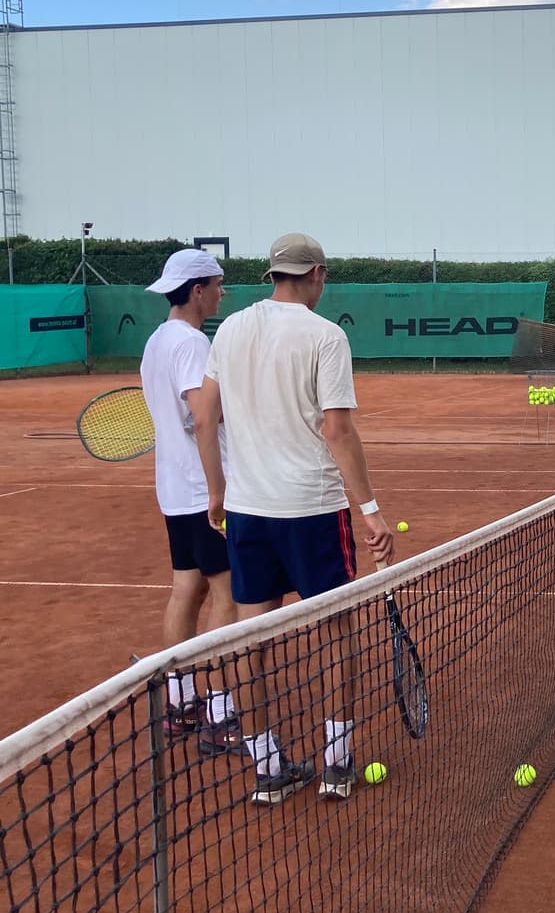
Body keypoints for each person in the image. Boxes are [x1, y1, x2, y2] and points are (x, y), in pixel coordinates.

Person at [193, 233, 394, 806]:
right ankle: (336, 762)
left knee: (250, 638)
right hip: (311, 511)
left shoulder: (229, 329)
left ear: (273, 275)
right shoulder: (326, 336)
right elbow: (337, 430)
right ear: (318, 274)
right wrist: (371, 510)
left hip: (247, 512)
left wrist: (217, 493)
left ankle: (266, 769)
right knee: (336, 632)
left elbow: (205, 418)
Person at [140, 249, 241, 753]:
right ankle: (221, 714)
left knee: (187, 589)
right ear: (197, 290)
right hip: (205, 492)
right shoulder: (192, 344)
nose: (223, 292)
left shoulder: (157, 340)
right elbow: (203, 417)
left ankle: (179, 705)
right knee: (228, 593)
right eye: (218, 284)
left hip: (174, 491)